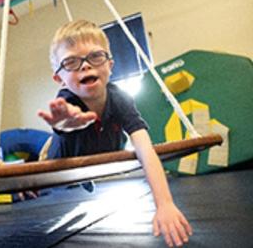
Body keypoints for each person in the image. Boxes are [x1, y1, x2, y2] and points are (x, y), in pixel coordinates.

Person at [38, 20, 192, 247]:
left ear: (110, 65)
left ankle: (85, 175)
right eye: (71, 62)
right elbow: (67, 123)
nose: (85, 66)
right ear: (59, 78)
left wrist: (165, 203)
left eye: (95, 57)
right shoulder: (66, 103)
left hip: (106, 148)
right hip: (63, 157)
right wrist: (67, 125)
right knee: (63, 134)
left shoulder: (120, 99)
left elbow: (145, 150)